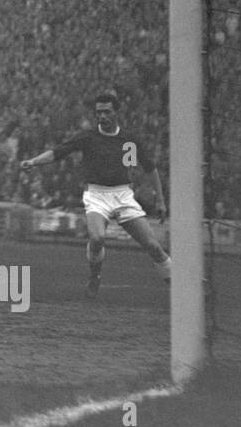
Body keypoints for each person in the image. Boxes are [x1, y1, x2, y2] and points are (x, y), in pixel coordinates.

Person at [21, 90, 172, 298]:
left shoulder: (129, 140)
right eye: (99, 112)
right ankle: (95, 276)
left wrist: (161, 200)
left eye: (107, 112)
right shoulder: (88, 137)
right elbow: (58, 152)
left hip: (123, 195)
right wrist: (34, 162)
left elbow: (149, 168)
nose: (102, 116)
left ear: (116, 112)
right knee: (97, 237)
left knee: (153, 246)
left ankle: (178, 286)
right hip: (96, 194)